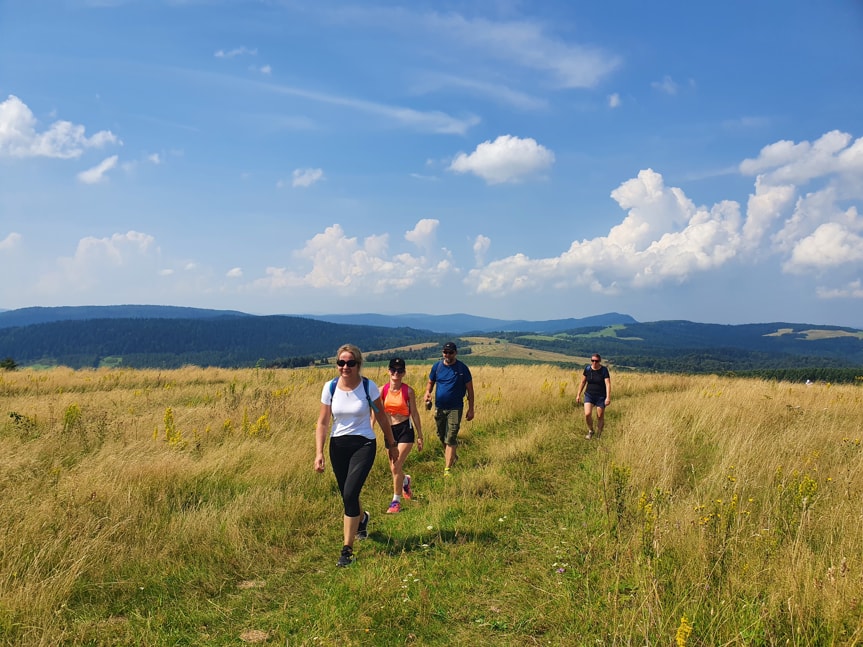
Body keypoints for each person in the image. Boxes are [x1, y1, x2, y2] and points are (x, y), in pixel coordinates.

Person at [315, 344, 399, 567]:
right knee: (346, 495)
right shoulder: (330, 387)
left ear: (358, 365)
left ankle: (347, 550)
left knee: (351, 494)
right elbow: (323, 422)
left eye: (350, 363)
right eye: (341, 363)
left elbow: (381, 417)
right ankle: (362, 519)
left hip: (364, 444)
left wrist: (391, 444)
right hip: (338, 445)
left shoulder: (368, 387)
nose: (345, 367)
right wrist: (319, 452)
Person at [373, 357, 424, 514]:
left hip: (405, 430)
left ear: (404, 373)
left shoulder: (408, 391)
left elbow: (414, 413)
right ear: (388, 371)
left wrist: (420, 435)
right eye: (393, 370)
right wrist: (370, 429)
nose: (396, 373)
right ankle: (405, 480)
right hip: (389, 431)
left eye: (400, 370)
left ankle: (395, 502)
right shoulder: (381, 390)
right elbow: (375, 412)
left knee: (396, 465)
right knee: (394, 468)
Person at [424, 341, 474, 477]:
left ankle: (447, 469)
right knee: (442, 436)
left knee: (451, 437)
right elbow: (430, 382)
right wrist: (427, 392)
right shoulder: (437, 367)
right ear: (442, 352)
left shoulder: (462, 368)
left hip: (455, 408)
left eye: (450, 352)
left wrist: (471, 409)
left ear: (455, 353)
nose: (447, 355)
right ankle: (453, 457)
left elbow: (470, 389)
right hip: (439, 407)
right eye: (445, 352)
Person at [576, 353, 611, 439]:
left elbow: (608, 384)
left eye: (596, 361)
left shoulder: (604, 370)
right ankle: (591, 430)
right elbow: (583, 382)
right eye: (593, 360)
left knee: (600, 416)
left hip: (601, 396)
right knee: (587, 414)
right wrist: (578, 394)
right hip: (589, 395)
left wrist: (608, 397)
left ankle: (599, 435)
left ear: (599, 361)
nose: (594, 362)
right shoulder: (587, 369)